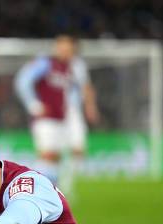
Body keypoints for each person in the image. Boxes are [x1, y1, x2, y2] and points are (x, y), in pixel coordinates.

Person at [14, 34, 99, 195]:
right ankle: (35, 190)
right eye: (62, 47)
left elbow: (80, 88)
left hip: (62, 117)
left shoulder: (70, 67)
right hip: (45, 119)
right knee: (47, 155)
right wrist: (33, 104)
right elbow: (23, 81)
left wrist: (86, 106)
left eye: (68, 48)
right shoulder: (45, 63)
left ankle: (55, 191)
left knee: (57, 156)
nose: (65, 51)